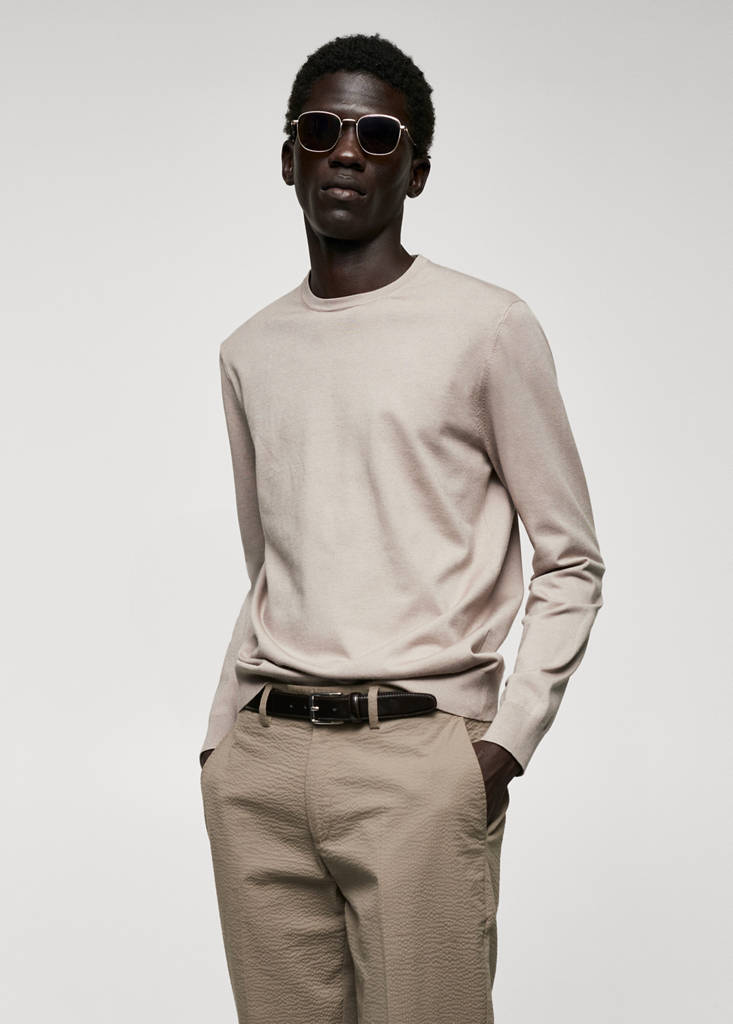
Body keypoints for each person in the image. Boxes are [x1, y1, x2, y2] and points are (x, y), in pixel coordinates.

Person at [199, 31, 605, 1024]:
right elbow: (272, 565)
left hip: (418, 759)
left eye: (377, 135)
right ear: (287, 157)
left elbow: (570, 560)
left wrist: (503, 745)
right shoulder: (250, 349)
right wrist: (220, 744)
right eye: (321, 130)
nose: (346, 151)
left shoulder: (487, 328)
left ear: (414, 171)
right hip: (261, 767)